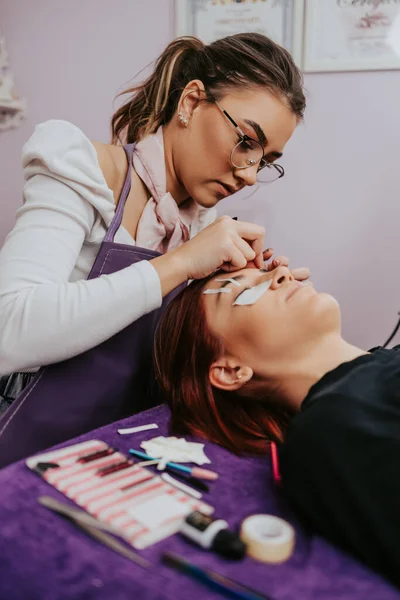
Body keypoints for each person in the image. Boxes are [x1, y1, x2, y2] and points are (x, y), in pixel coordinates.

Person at [0, 33, 307, 466]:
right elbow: (8, 330)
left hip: (114, 456)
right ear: (191, 102)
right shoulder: (85, 167)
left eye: (266, 159)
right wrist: (180, 263)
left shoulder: (202, 229)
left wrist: (260, 296)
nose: (250, 175)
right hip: (21, 448)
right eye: (246, 142)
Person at [154, 265, 400, 589]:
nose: (283, 273)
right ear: (230, 371)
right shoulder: (330, 428)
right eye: (242, 292)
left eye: (269, 271)